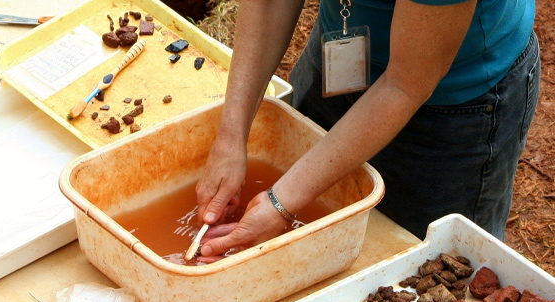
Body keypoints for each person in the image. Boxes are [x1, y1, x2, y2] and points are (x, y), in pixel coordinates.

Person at [194, 0, 540, 260]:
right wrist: (231, 136)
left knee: (426, 268)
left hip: (454, 106)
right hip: (344, 48)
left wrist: (280, 203)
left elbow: (405, 84)